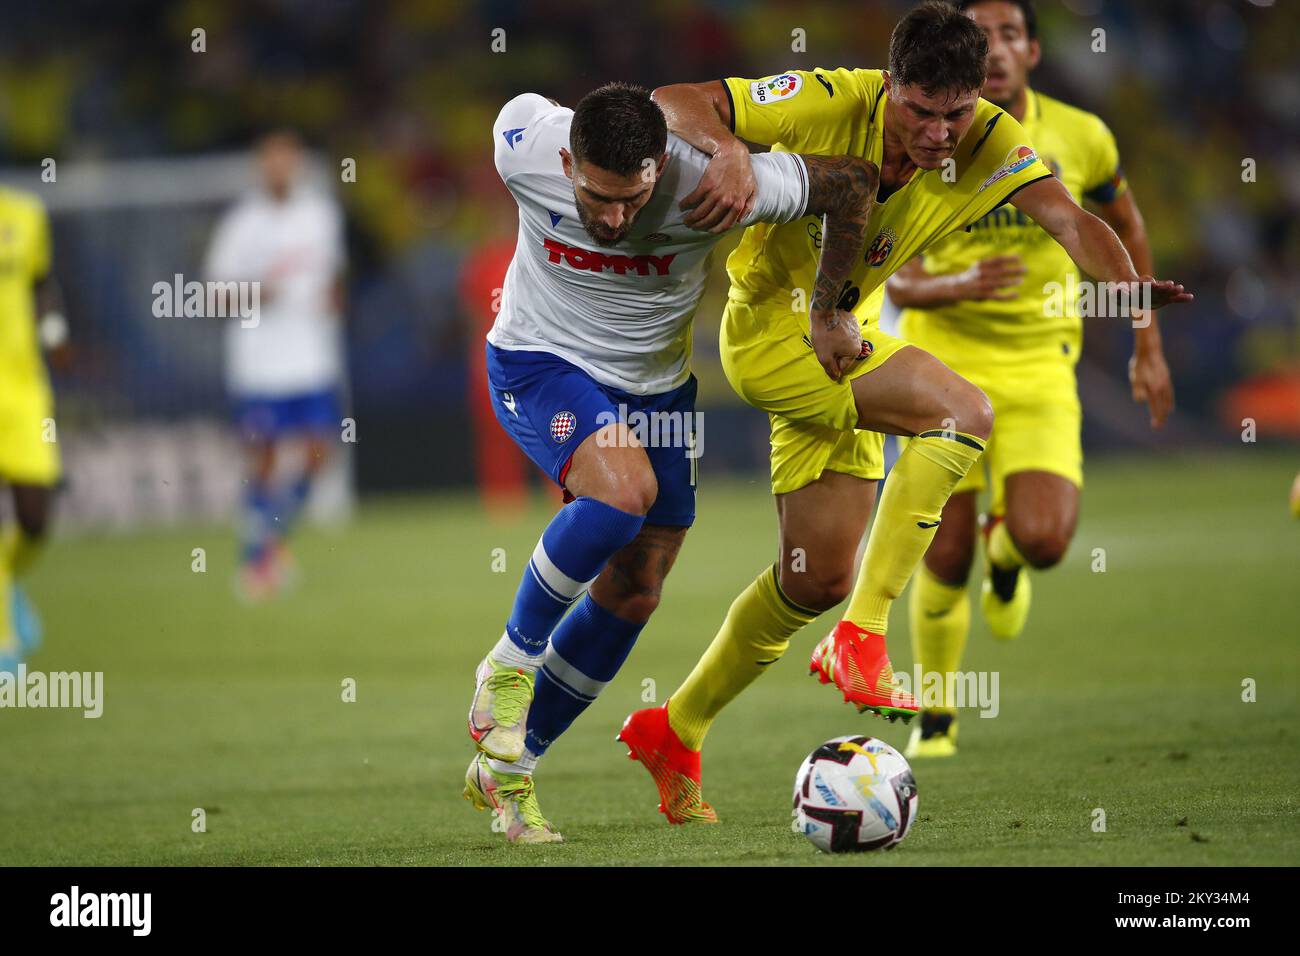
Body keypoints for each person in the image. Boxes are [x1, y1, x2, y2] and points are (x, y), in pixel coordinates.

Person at [620, 0, 1190, 824]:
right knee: (961, 412)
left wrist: (1132, 299)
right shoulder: (828, 97)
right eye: (919, 111)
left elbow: (1071, 220)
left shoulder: (989, 139)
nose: (937, 132)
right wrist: (730, 149)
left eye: (953, 114)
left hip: (845, 338)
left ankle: (675, 727)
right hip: (773, 328)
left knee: (812, 580)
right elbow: (674, 99)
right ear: (890, 85)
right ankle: (864, 638)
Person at [467, 82, 878, 843]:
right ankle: (509, 664)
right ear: (567, 160)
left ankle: (509, 770)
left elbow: (855, 183)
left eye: (633, 197)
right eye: (597, 197)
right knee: (624, 492)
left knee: (637, 590)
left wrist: (830, 308)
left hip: (657, 395)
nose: (615, 218)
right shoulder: (521, 138)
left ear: (663, 164)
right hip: (540, 364)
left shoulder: (712, 181)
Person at [886, 0, 1175, 758]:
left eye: (1010, 35)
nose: (998, 52)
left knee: (1044, 540)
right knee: (943, 554)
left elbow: (1122, 225)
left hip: (1043, 366)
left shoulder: (1082, 137)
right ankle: (937, 721)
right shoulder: (928, 138)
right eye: (983, 40)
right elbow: (895, 281)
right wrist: (955, 285)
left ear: (1034, 52)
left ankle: (1008, 558)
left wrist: (1148, 341)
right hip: (939, 365)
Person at [204, 130, 347, 601]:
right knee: (263, 461)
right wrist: (261, 291)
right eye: (272, 160)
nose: (281, 168)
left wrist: (331, 299)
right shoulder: (242, 225)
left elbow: (332, 277)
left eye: (289, 159)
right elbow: (212, 296)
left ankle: (269, 544)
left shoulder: (320, 216)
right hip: (260, 360)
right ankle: (257, 559)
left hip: (311, 357)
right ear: (260, 166)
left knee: (319, 454)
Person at [0, 185, 65, 676]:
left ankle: (10, 576)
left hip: (24, 393)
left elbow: (41, 281)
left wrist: (52, 325)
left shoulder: (25, 213)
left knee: (36, 520)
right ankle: (4, 647)